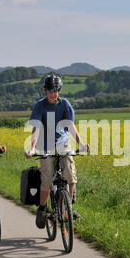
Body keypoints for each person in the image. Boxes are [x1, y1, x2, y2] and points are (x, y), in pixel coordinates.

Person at [25, 75, 90, 229]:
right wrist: (33, 148)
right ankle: (42, 208)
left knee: (69, 172)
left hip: (63, 143)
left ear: (59, 91)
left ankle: (70, 205)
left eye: (55, 91)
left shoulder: (65, 104)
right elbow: (36, 129)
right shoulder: (40, 106)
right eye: (50, 91)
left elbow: (70, 126)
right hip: (45, 145)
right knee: (47, 180)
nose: (53, 94)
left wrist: (81, 144)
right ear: (45, 91)